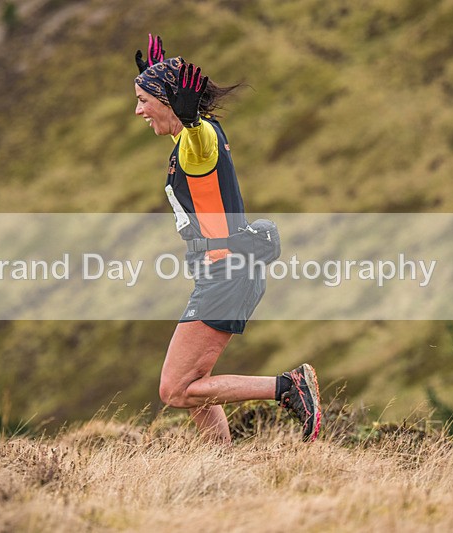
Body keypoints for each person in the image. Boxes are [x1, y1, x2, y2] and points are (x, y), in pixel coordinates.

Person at [134, 34, 321, 443]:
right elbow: (187, 134)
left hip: (225, 273)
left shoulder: (197, 142)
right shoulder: (191, 138)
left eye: (144, 100)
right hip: (229, 271)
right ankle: (220, 462)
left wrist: (190, 121)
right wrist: (159, 77)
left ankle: (288, 387)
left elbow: (195, 141)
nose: (137, 110)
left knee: (175, 389)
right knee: (196, 384)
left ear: (168, 102)